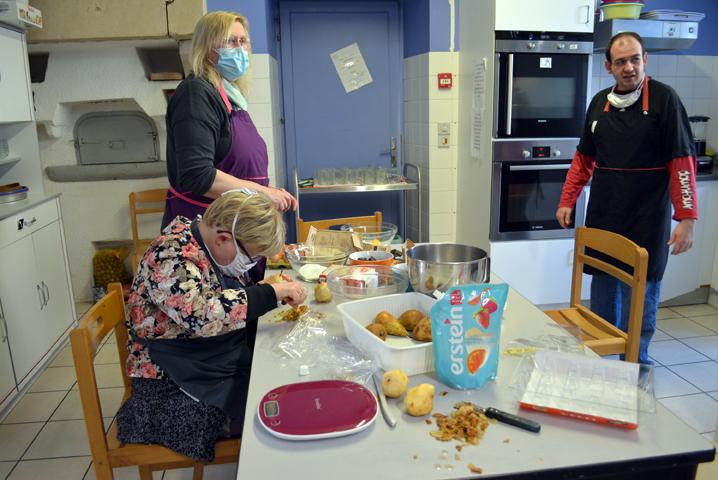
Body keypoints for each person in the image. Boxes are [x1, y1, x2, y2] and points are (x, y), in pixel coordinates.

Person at [117, 191, 308, 461]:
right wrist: (268, 294)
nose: (250, 265)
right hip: (168, 387)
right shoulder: (171, 256)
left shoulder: (201, 238)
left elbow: (212, 294)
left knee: (278, 385)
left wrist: (262, 290)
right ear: (223, 238)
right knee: (272, 418)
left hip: (201, 361)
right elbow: (202, 315)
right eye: (251, 257)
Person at [556, 32, 698, 365]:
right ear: (609, 67)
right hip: (606, 211)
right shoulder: (598, 103)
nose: (629, 67)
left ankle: (637, 361)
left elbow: (682, 162)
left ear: (645, 59)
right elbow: (583, 159)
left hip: (647, 215)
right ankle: (602, 355)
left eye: (635, 59)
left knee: (642, 292)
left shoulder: (666, 100)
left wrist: (687, 217)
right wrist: (568, 199)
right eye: (621, 62)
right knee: (604, 286)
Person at [163, 10, 297, 286]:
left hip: (236, 234)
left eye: (243, 41)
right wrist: (264, 193)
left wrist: (267, 194)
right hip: (210, 241)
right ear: (207, 48)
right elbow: (198, 175)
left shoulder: (230, 96)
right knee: (220, 319)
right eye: (230, 42)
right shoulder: (196, 94)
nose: (240, 50)